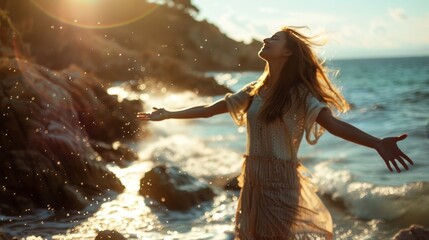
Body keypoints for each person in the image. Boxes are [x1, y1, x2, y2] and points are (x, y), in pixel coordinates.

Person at [137, 26, 414, 240]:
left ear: (288, 52)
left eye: (274, 39)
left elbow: (334, 125)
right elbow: (211, 109)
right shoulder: (255, 89)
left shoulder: (300, 93)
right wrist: (170, 114)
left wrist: (377, 143)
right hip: (253, 182)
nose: (266, 40)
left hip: (282, 183)